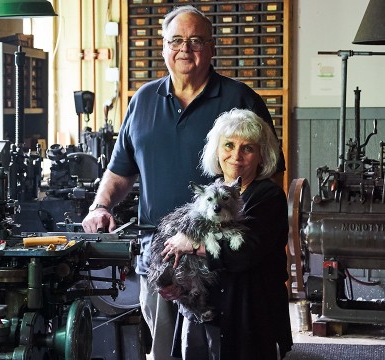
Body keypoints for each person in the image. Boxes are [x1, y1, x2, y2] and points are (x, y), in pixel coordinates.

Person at [81, 5, 286, 359]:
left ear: (212, 47)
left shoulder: (241, 99)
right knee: (165, 346)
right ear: (163, 46)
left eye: (195, 41)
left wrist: (247, 246)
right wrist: (100, 206)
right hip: (159, 252)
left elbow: (269, 174)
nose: (184, 49)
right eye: (176, 40)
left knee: (222, 344)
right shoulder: (143, 101)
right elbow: (120, 170)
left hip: (219, 255)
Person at [162, 108, 293, 359]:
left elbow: (243, 252)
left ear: (261, 155)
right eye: (229, 145)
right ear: (217, 150)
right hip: (207, 309)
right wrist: (175, 284)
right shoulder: (210, 192)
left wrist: (189, 243)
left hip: (249, 313)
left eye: (248, 148)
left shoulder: (268, 196)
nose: (236, 156)